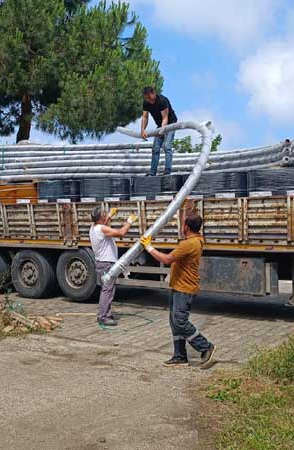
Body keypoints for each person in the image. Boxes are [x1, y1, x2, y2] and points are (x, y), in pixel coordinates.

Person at [140, 213, 216, 368]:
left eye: (183, 224)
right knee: (175, 322)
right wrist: (184, 206)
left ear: (186, 227)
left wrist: (149, 247)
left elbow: (167, 259)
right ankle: (180, 356)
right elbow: (187, 223)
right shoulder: (196, 239)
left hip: (184, 288)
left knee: (180, 321)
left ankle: (205, 346)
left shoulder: (188, 244)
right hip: (178, 286)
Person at [90, 206, 138, 327]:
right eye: (105, 214)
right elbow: (121, 233)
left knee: (106, 290)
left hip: (101, 263)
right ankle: (103, 317)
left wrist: (110, 216)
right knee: (107, 291)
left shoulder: (93, 228)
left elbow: (103, 225)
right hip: (106, 264)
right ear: (101, 217)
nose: (106, 215)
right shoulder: (101, 229)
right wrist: (129, 222)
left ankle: (104, 313)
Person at [141, 86, 178, 176]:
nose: (148, 100)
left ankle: (167, 171)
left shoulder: (162, 101)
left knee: (167, 146)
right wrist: (142, 130)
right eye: (146, 98)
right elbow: (145, 117)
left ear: (154, 93)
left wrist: (162, 132)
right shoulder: (146, 103)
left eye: (149, 97)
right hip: (160, 125)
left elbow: (165, 118)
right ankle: (152, 172)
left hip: (171, 124)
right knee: (155, 149)